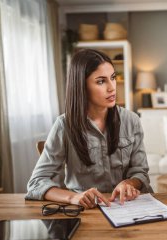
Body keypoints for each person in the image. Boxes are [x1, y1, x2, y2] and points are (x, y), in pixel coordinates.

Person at [26, 49, 152, 209]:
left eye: (112, 78)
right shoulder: (64, 126)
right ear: (81, 86)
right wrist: (73, 197)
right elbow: (36, 183)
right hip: (88, 210)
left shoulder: (131, 120)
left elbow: (141, 172)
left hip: (130, 207)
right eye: (101, 81)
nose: (112, 87)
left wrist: (129, 183)